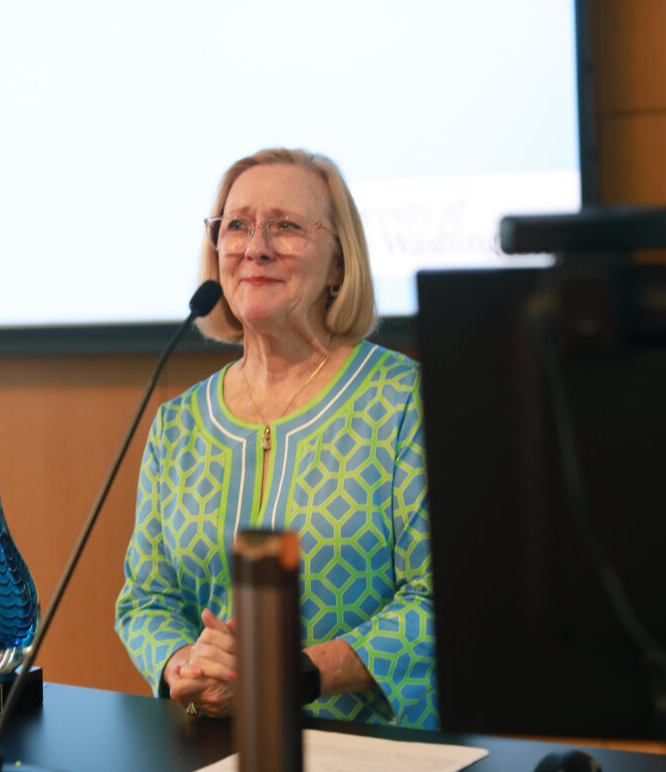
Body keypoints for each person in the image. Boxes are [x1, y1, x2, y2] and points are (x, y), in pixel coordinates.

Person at [114, 148, 436, 728]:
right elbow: (145, 598)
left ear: (339, 263)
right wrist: (185, 664)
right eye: (236, 226)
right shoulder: (178, 424)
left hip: (373, 749)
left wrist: (293, 674)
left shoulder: (405, 401)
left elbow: (435, 597)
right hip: (211, 746)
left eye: (285, 226)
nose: (254, 246)